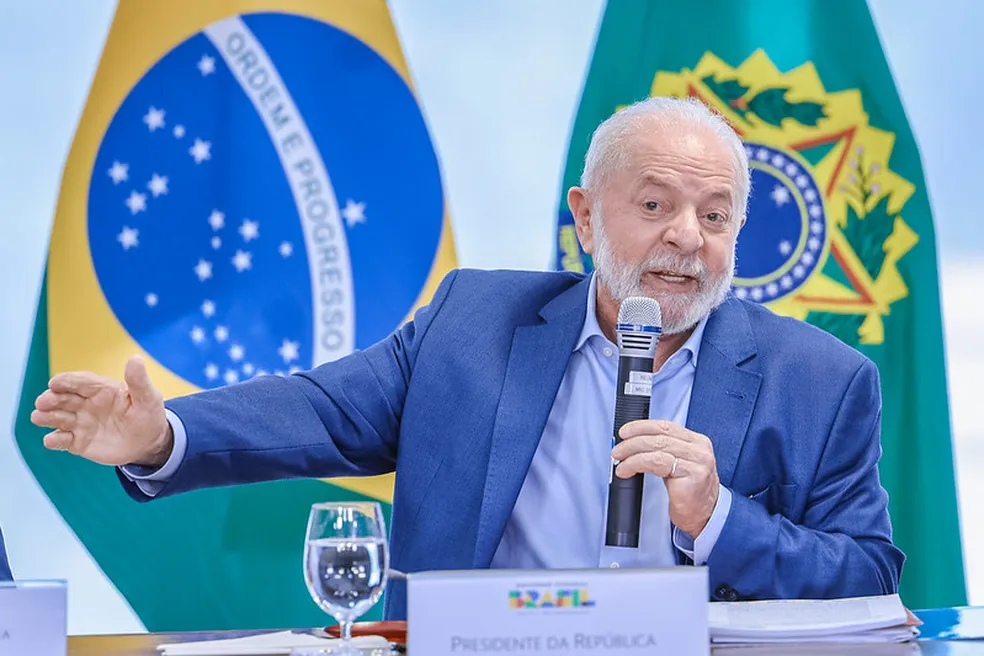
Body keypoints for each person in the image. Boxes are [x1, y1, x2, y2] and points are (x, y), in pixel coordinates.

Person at [30, 96, 904, 619]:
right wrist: (163, 437)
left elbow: (869, 579)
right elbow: (323, 412)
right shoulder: (474, 321)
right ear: (586, 217)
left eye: (714, 217)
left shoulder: (822, 381)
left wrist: (716, 517)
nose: (686, 237)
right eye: (654, 205)